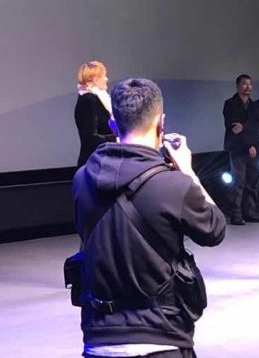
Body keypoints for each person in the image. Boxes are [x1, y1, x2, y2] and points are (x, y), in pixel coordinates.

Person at [73, 78, 226, 357]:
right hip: (162, 335)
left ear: (112, 125)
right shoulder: (174, 185)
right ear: (161, 123)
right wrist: (188, 171)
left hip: (99, 337)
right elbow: (215, 229)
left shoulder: (82, 179)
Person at [221, 74, 259, 224]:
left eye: (250, 84)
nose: (248, 87)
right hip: (237, 148)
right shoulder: (230, 104)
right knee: (238, 182)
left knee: (253, 181)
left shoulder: (255, 106)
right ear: (238, 86)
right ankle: (236, 214)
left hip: (254, 148)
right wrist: (248, 142)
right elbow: (234, 127)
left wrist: (245, 127)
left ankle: (250, 212)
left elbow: (257, 125)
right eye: (244, 84)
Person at [75, 60, 117, 167]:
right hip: (95, 163)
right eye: (104, 76)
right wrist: (118, 139)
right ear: (95, 80)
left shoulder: (99, 98)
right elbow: (90, 138)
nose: (106, 79)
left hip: (104, 160)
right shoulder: (88, 100)